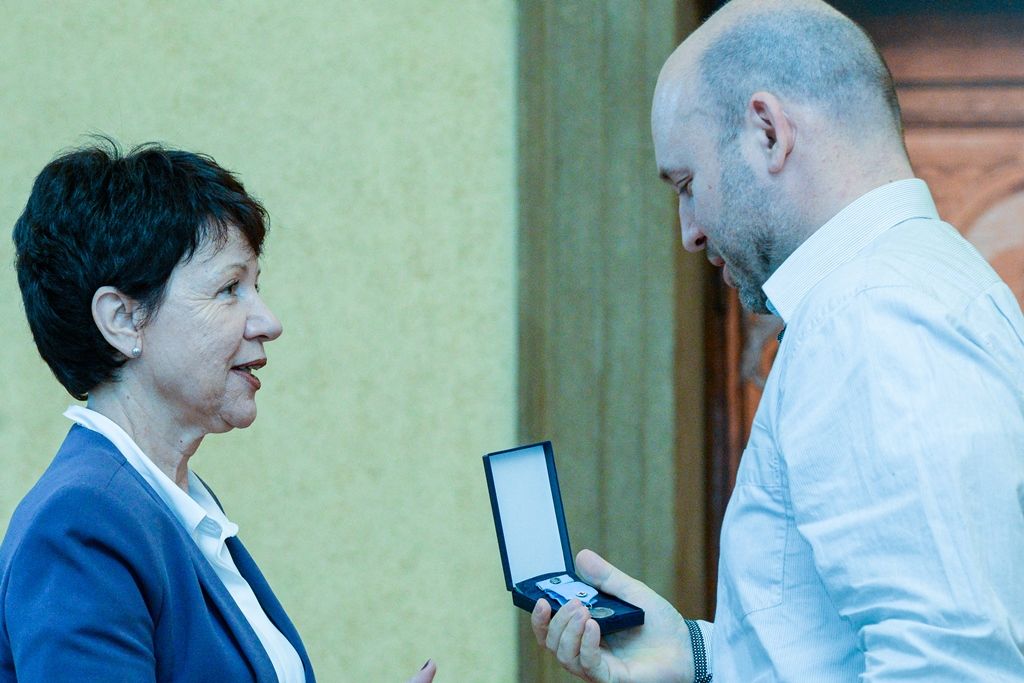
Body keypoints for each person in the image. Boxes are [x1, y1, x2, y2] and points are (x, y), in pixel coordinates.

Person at [531, 0, 1024, 680]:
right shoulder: (920, 285)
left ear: (768, 132)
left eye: (687, 184)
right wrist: (701, 658)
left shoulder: (869, 315)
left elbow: (947, 665)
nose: (689, 232)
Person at [0, 141, 437, 683]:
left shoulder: (171, 502)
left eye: (256, 286)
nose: (269, 322)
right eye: (230, 288)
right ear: (123, 319)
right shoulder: (81, 525)